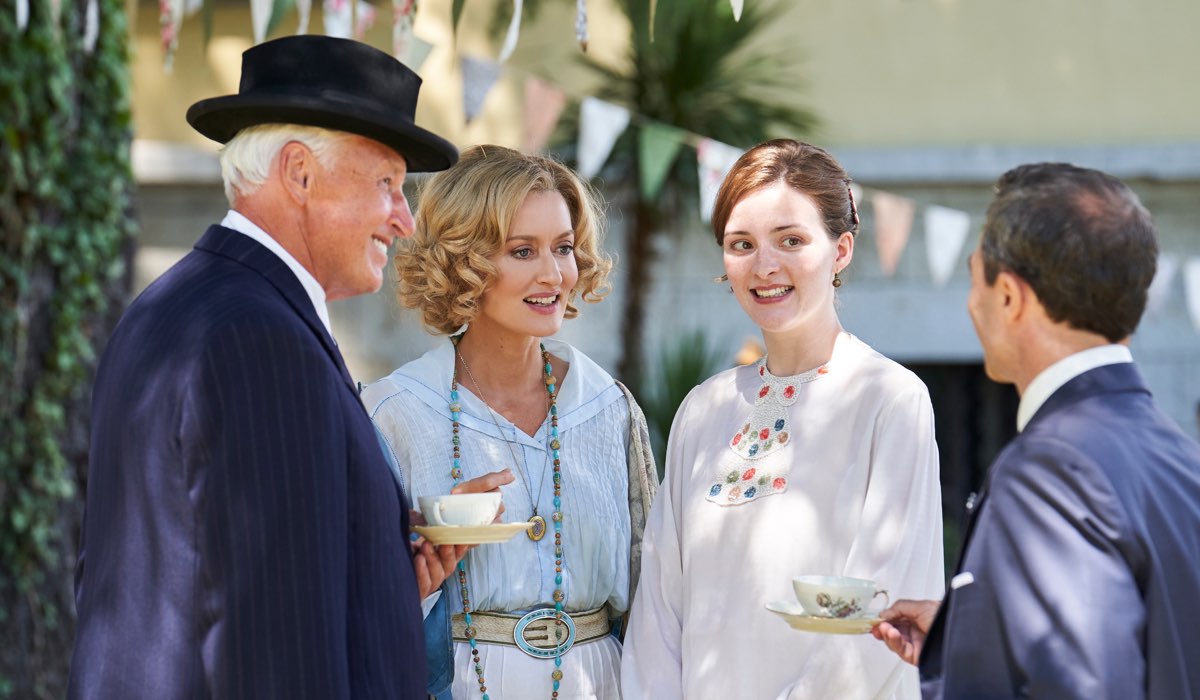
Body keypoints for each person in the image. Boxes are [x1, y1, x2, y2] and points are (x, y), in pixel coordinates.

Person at [68, 36, 464, 698]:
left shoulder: (173, 305)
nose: (407, 221)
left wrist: (382, 579)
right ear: (299, 173)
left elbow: (197, 574)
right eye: (389, 185)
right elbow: (275, 651)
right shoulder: (260, 339)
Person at [622, 139, 945, 699]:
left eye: (791, 240)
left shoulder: (889, 399)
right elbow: (659, 608)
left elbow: (882, 610)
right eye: (741, 244)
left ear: (841, 249)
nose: (765, 266)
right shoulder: (704, 409)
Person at [872, 163, 1200, 699]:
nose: (970, 303)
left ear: (1009, 296)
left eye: (975, 276)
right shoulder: (1179, 458)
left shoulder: (1051, 467)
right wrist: (971, 644)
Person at [361, 145, 658, 699]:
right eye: (523, 250)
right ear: (464, 260)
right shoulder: (395, 413)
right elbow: (354, 602)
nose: (554, 274)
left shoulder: (608, 407)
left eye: (564, 248)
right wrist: (418, 573)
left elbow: (655, 595)